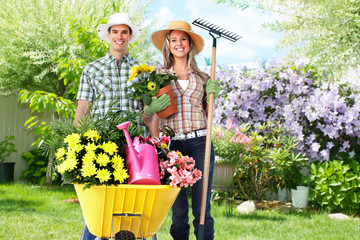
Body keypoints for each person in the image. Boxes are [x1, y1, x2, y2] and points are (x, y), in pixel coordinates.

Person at [74, 12, 170, 240]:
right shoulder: (91, 69)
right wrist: (76, 144)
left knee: (140, 197)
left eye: (124, 32)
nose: (120, 36)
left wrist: (158, 143)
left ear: (129, 37)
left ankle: (144, 237)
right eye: (115, 31)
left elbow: (150, 115)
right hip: (102, 142)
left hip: (136, 144)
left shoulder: (143, 71)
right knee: (100, 201)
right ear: (108, 36)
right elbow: (82, 110)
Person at [149, 20, 220, 240]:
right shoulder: (158, 76)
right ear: (168, 45)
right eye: (174, 40)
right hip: (172, 147)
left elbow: (208, 116)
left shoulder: (203, 78)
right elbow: (150, 116)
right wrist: (156, 145)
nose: (179, 43)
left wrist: (212, 96)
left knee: (202, 209)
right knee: (178, 210)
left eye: (183, 39)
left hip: (200, 143)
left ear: (189, 44)